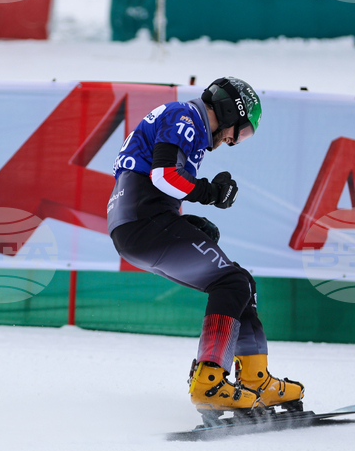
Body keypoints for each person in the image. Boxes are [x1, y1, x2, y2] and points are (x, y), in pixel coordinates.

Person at [106, 77, 303, 421]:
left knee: (239, 282)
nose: (231, 140)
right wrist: (209, 193)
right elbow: (165, 175)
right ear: (229, 111)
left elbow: (155, 180)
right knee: (231, 283)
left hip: (139, 223)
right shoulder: (186, 117)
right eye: (239, 132)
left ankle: (256, 379)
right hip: (144, 222)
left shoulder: (184, 120)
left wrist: (187, 221)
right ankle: (209, 382)